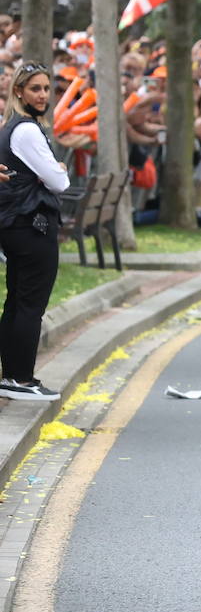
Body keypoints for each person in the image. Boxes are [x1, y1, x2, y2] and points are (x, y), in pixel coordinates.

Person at [0, 64, 67, 400]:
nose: (42, 95)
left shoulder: (14, 127)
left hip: (18, 226)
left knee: (17, 301)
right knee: (29, 304)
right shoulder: (26, 130)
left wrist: (51, 172)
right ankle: (21, 379)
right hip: (31, 227)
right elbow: (60, 181)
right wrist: (56, 171)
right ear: (18, 92)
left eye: (45, 88)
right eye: (35, 89)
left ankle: (12, 375)